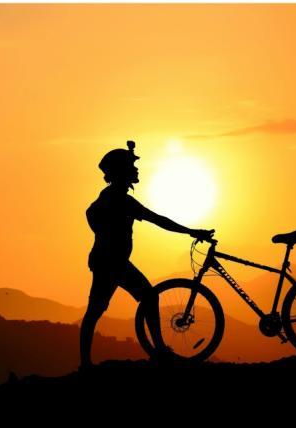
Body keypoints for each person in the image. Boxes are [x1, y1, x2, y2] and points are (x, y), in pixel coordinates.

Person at [79, 140, 214, 370]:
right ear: (121, 172)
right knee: (100, 309)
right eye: (132, 166)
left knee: (110, 306)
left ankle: (156, 350)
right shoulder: (119, 199)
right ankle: (153, 351)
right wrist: (192, 231)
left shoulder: (113, 197)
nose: (136, 169)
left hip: (111, 261)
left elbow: (90, 214)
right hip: (112, 263)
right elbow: (158, 220)